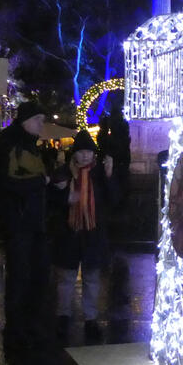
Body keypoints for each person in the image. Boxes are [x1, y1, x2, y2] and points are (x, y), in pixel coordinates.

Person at [0, 101, 50, 355]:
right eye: (38, 119)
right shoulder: (9, 145)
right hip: (19, 223)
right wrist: (41, 181)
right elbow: (5, 183)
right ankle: (16, 331)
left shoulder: (31, 146)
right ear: (25, 120)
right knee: (19, 277)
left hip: (35, 223)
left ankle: (30, 326)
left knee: (37, 276)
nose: (41, 124)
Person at [50, 130, 117, 343]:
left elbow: (114, 199)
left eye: (89, 152)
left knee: (92, 278)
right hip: (69, 233)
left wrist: (109, 175)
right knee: (66, 278)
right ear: (74, 154)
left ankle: (91, 319)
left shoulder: (100, 173)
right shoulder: (64, 173)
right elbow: (51, 201)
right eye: (81, 152)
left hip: (93, 233)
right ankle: (63, 317)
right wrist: (65, 197)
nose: (85, 156)